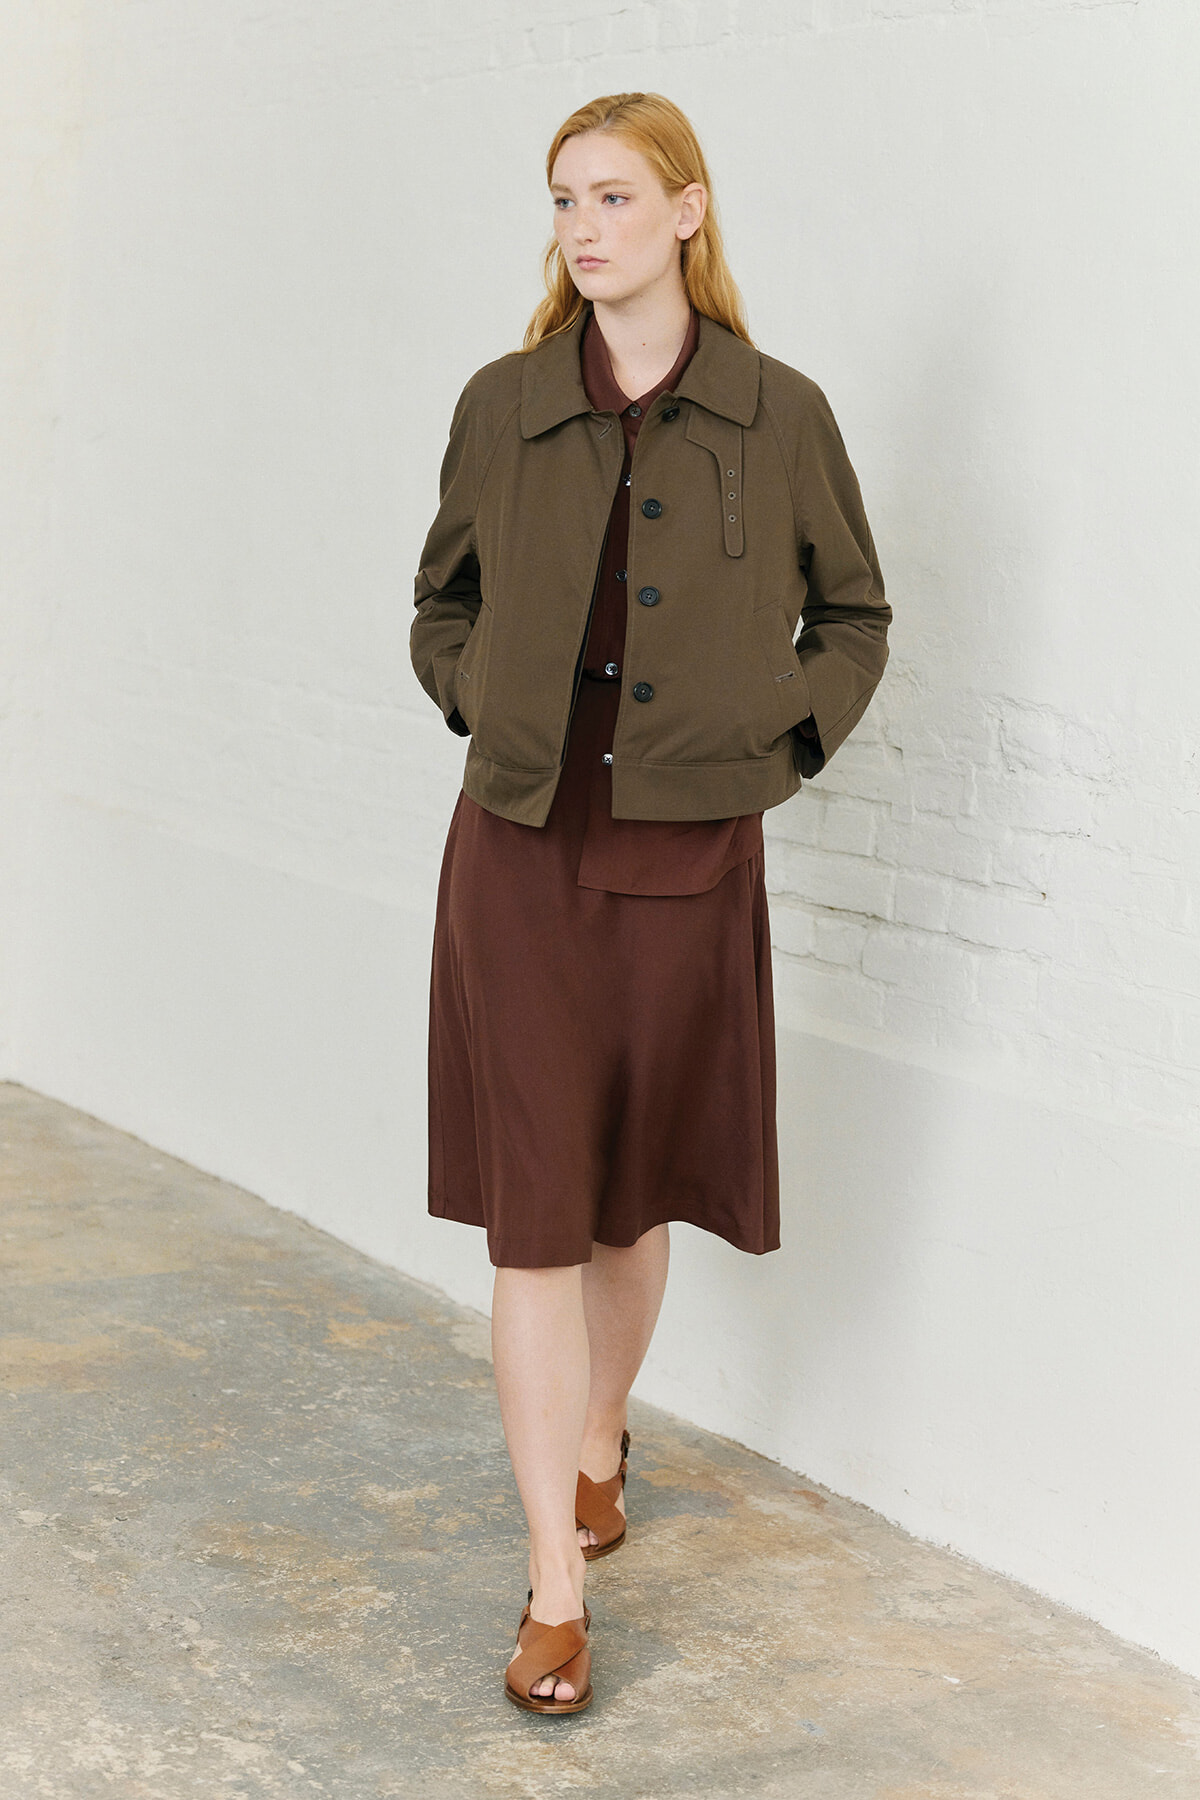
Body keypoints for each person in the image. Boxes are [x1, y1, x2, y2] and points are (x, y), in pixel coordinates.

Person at [410, 91, 890, 1714]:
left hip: (688, 854)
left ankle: (606, 1434)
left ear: (688, 212)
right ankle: (555, 1582)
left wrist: (783, 743)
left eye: (615, 195)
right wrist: (481, 695)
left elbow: (857, 614)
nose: (584, 225)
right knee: (537, 1220)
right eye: (564, 198)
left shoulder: (780, 411)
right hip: (521, 859)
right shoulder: (503, 405)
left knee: (627, 1206)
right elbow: (440, 596)